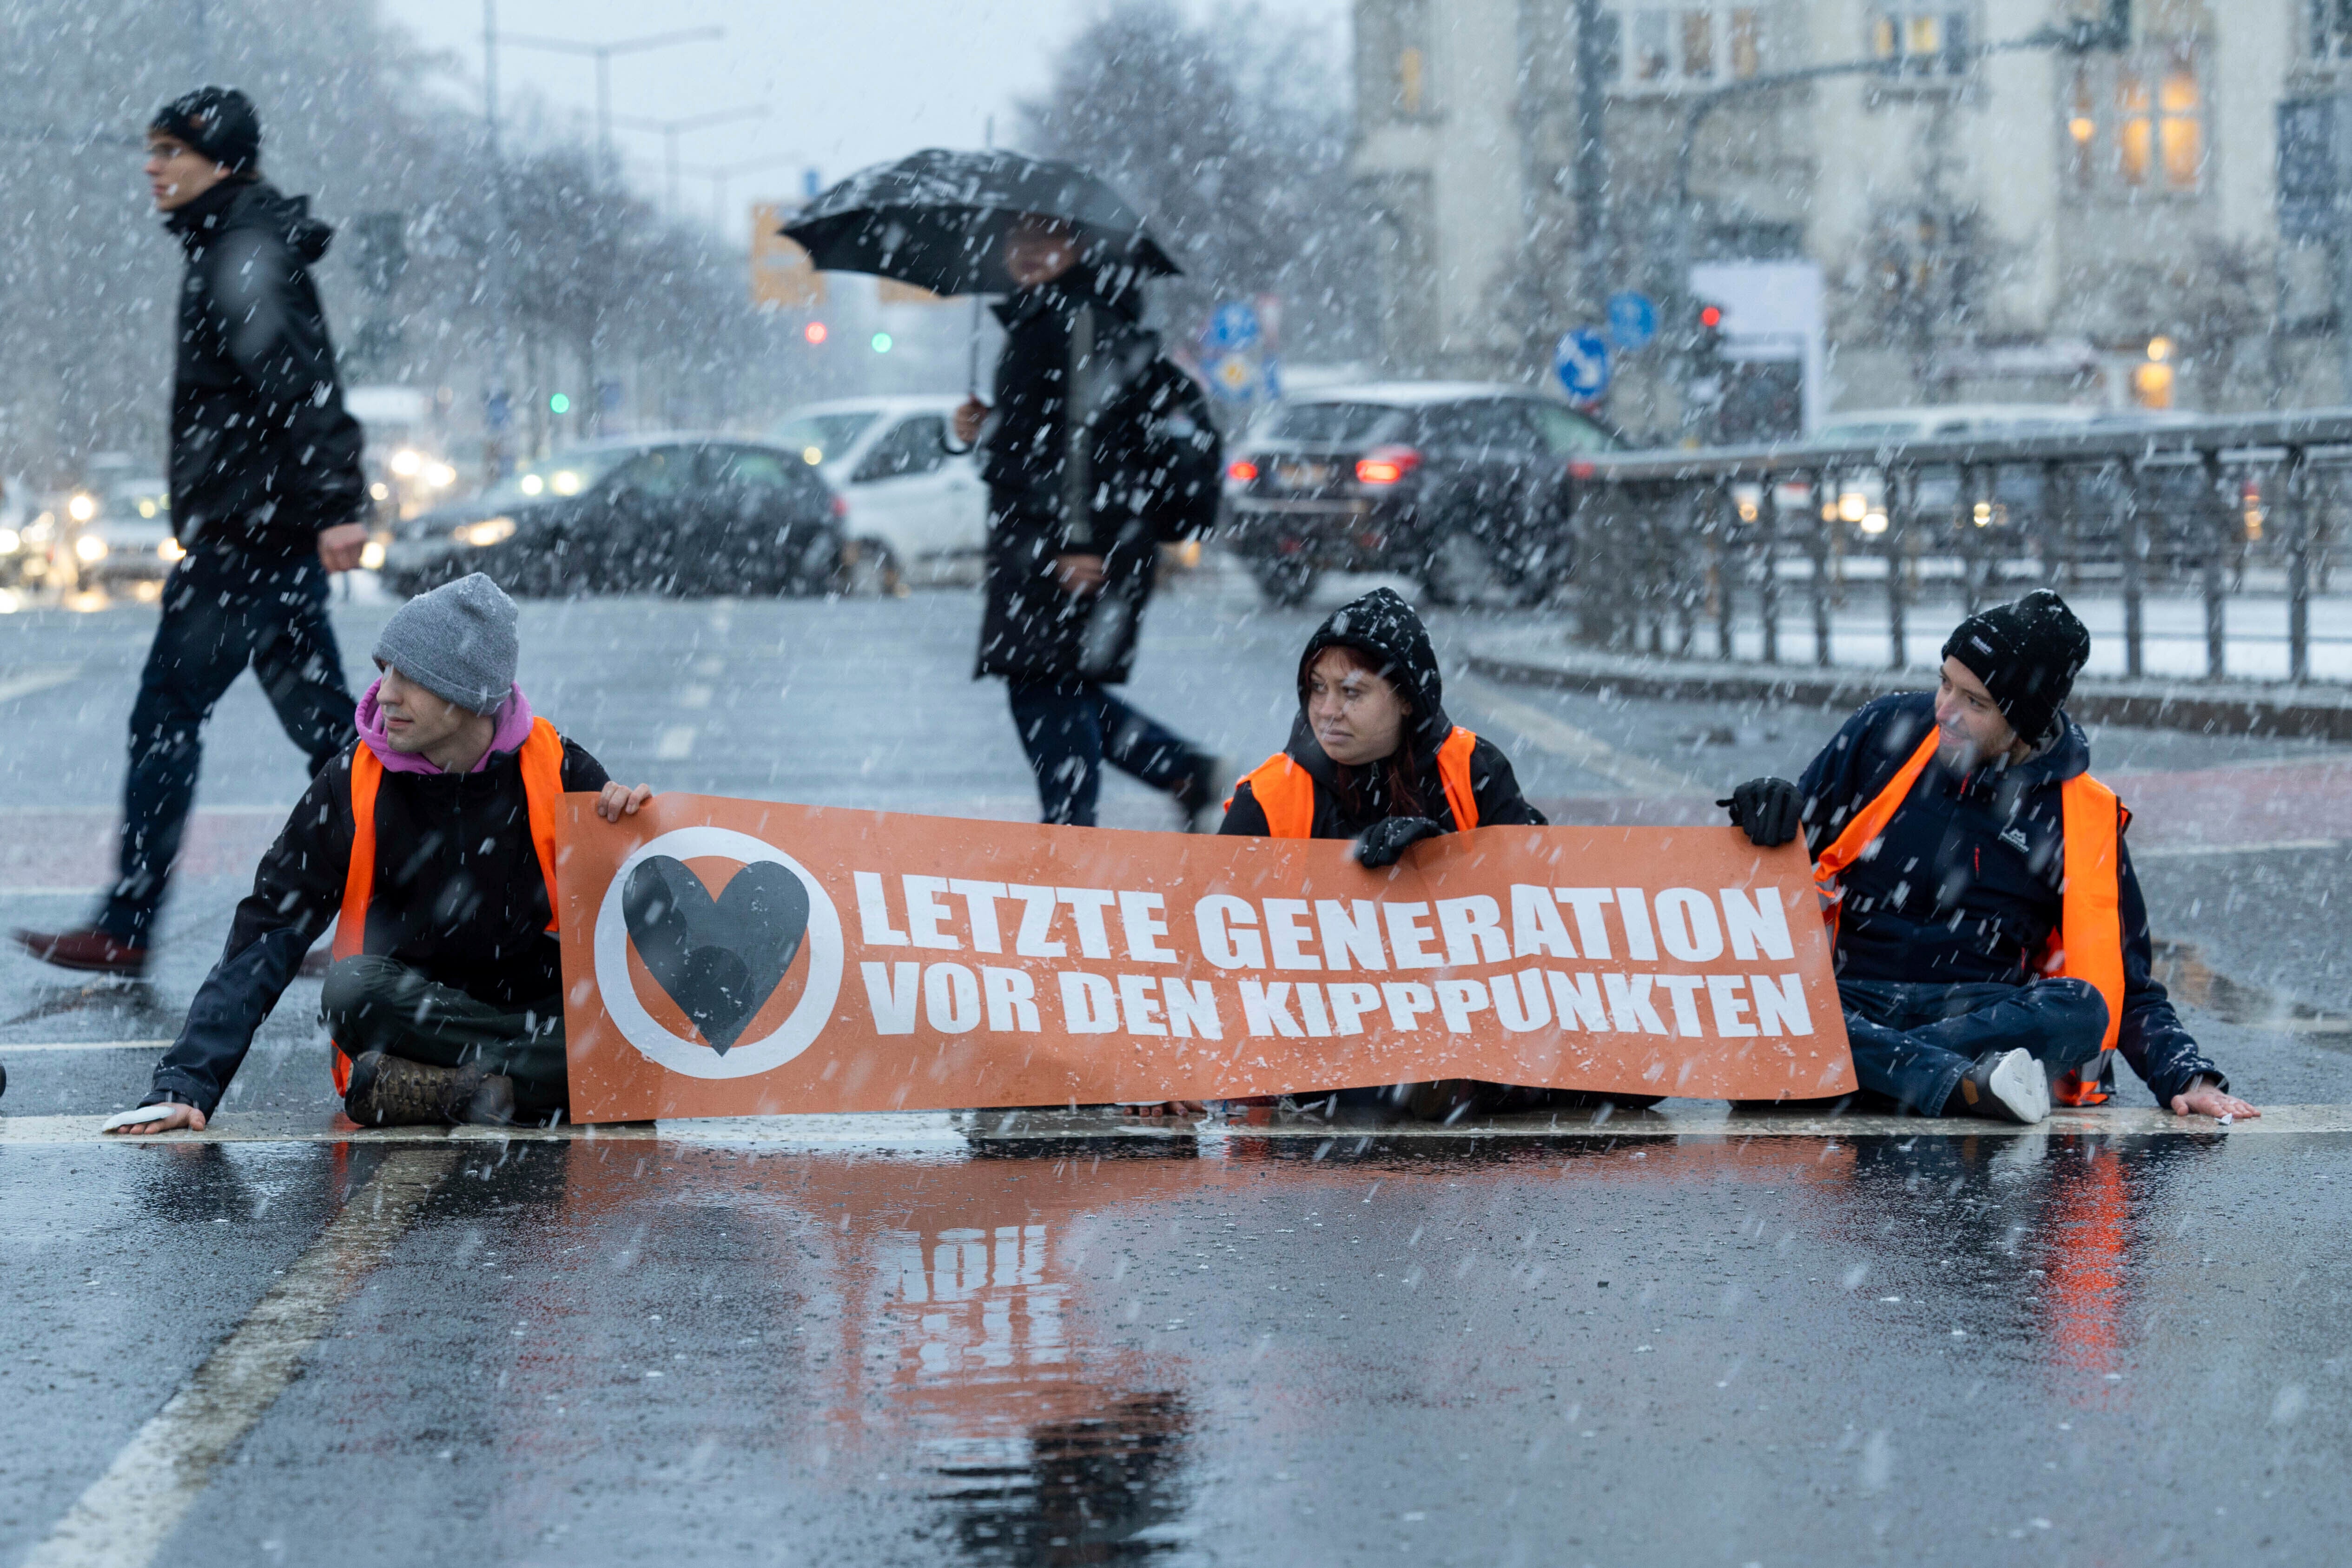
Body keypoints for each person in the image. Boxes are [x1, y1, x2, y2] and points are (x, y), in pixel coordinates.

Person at [17, 87, 370, 976]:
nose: (153, 165)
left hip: (247, 537)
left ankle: (130, 919)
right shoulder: (233, 241)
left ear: (222, 162)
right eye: (152, 149)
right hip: (263, 530)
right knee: (335, 736)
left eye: (171, 151)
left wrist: (336, 502)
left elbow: (300, 385)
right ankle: (401, 907)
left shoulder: (242, 252)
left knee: (169, 717)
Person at [106, 576, 654, 1133]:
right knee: (351, 990)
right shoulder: (352, 777)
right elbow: (271, 924)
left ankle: (454, 1087)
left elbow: (647, 938)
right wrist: (187, 1082)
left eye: (410, 677)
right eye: (385, 669)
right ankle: (523, 1083)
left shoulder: (559, 767)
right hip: (414, 1013)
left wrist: (632, 842)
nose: (384, 693)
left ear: (469, 696)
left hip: (538, 1009)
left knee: (630, 1042)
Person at [1723, 589, 2260, 1125]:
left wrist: (2186, 1074)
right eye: (1944, 682)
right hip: (1849, 996)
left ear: (2022, 724)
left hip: (1976, 1012)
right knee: (1771, 1001)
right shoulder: (1884, 729)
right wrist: (1766, 808)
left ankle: (1858, 1067)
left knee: (2080, 1009)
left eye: (1974, 702)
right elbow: (1785, 848)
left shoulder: (2079, 813)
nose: (1944, 711)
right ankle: (1948, 1080)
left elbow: (2130, 983)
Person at [1210, 587, 1609, 1121]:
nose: (1327, 711)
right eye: (1317, 689)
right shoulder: (1267, 797)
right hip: (1325, 1040)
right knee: (1368, 1104)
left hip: (1474, 1020)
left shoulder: (1473, 769)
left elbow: (1545, 903)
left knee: (1628, 1074)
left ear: (1405, 698)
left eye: (1352, 693)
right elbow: (1204, 942)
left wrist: (1437, 867)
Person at [953, 213, 1222, 831]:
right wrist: (982, 427)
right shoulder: (1049, 318)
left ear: (1079, 245)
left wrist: (1080, 542)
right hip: (1053, 537)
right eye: (1017, 239)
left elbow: (1086, 439)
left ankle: (1073, 834)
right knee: (1055, 688)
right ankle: (1184, 773)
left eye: (1046, 238)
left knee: (1043, 689)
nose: (1027, 251)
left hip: (1073, 542)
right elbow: (1043, 440)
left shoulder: (1074, 320)